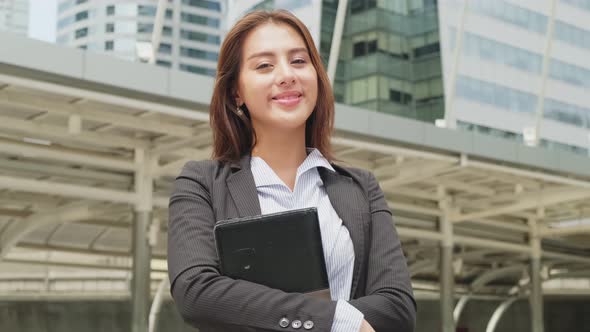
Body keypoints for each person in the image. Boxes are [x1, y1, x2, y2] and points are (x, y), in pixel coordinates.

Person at [168, 10, 416, 332]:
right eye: (264, 66)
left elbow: (397, 305)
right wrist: (334, 322)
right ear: (236, 92)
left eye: (299, 61)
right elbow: (197, 291)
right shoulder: (202, 184)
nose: (286, 75)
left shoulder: (360, 187)